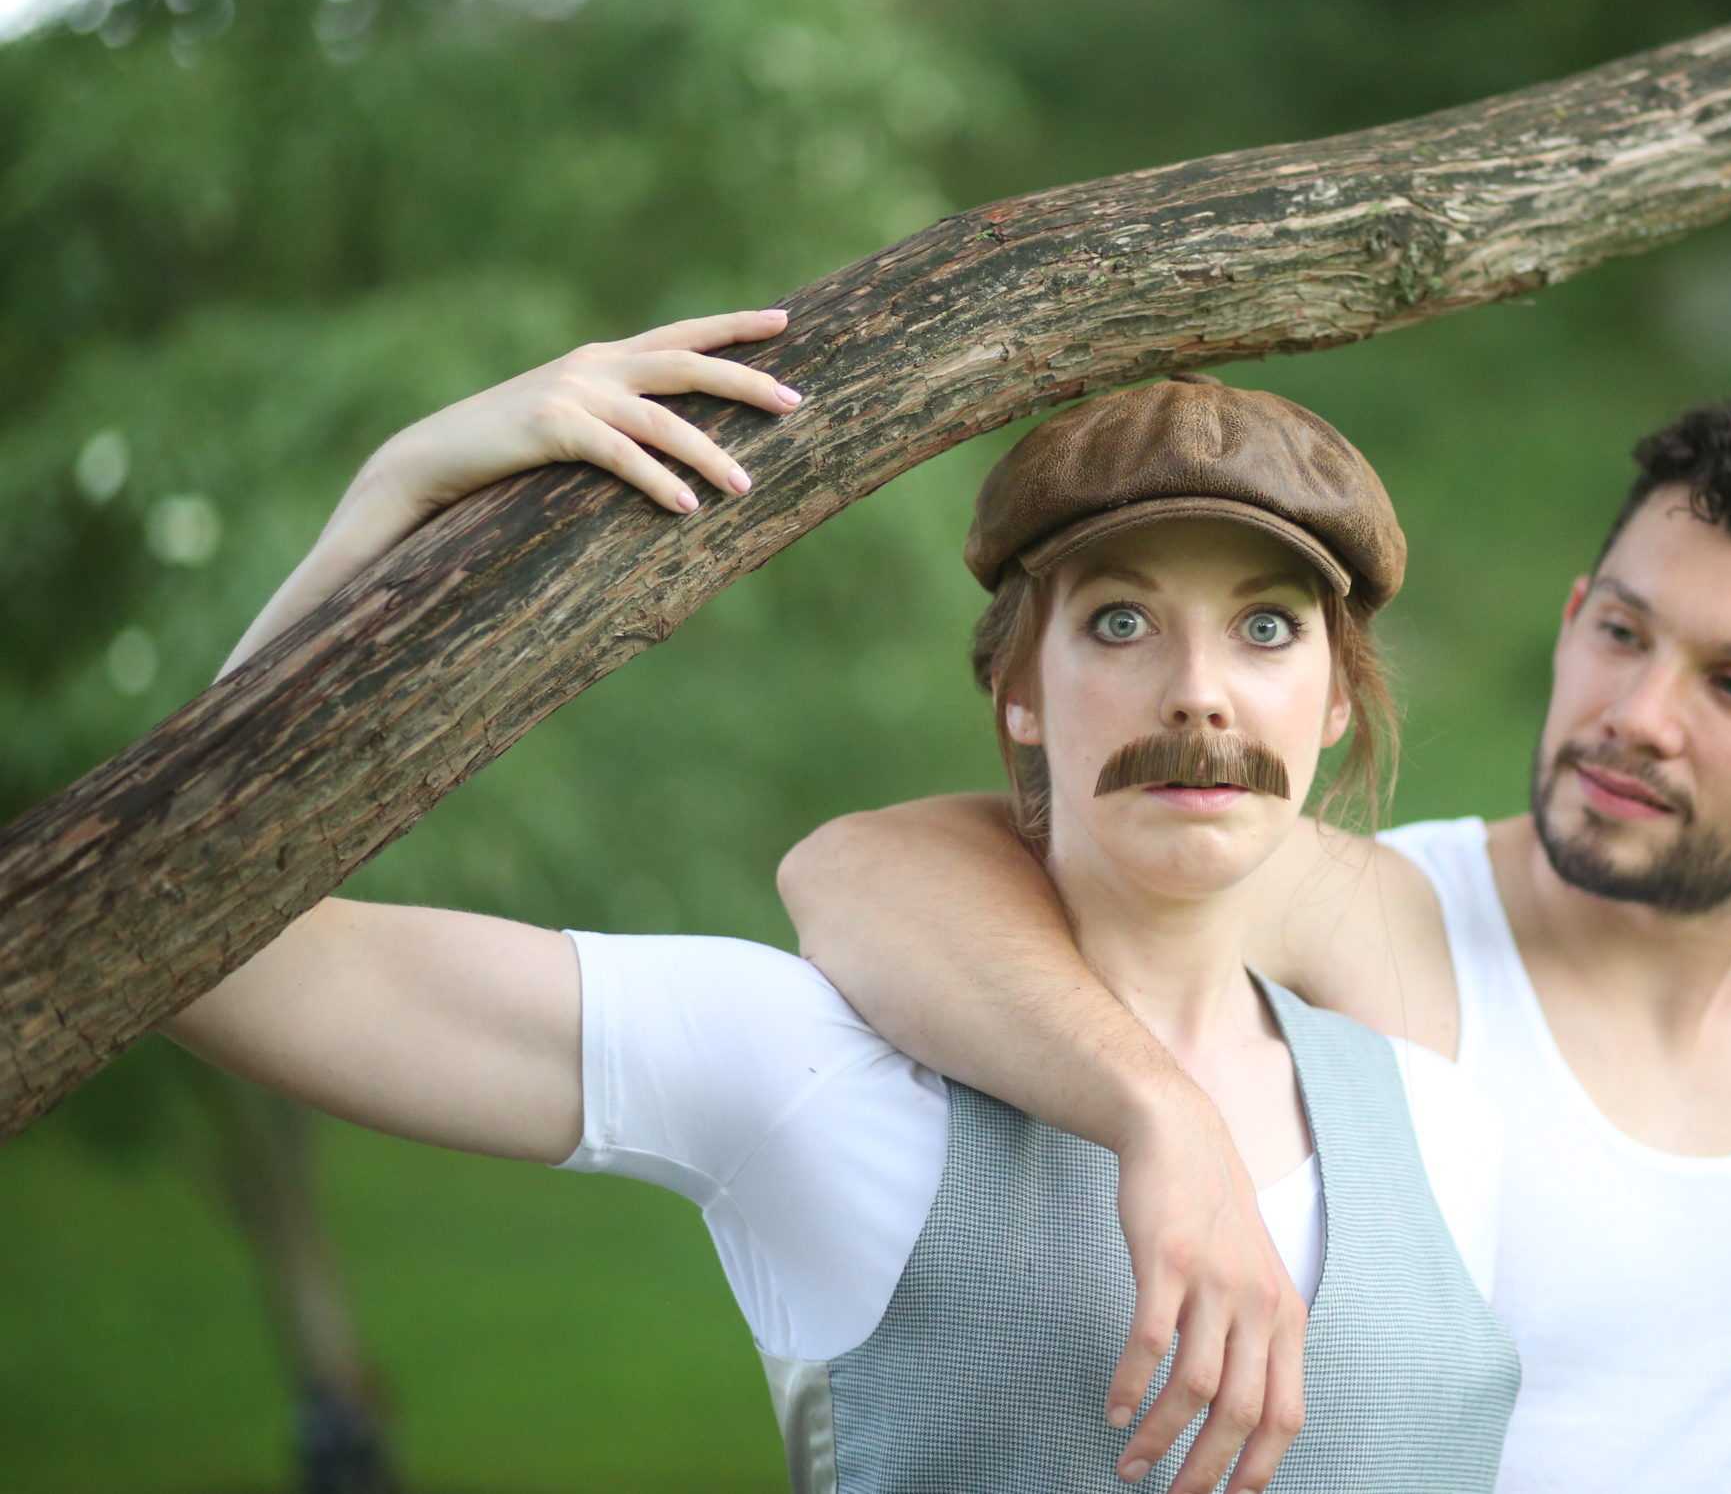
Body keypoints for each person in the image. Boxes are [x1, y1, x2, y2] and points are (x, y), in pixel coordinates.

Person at [776, 20, 1731, 1493]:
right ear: (1574, 615)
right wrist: (1156, 1113)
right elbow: (869, 871)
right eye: (1625, 634)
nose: (1637, 713)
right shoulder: (1380, 922)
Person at [163, 329, 1521, 1492]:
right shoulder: (811, 1068)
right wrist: (399, 485)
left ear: (1335, 704)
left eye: (1267, 627)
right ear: (1019, 696)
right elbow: (203, 949)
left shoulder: (1441, 1114)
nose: (1198, 692)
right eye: (1120, 622)